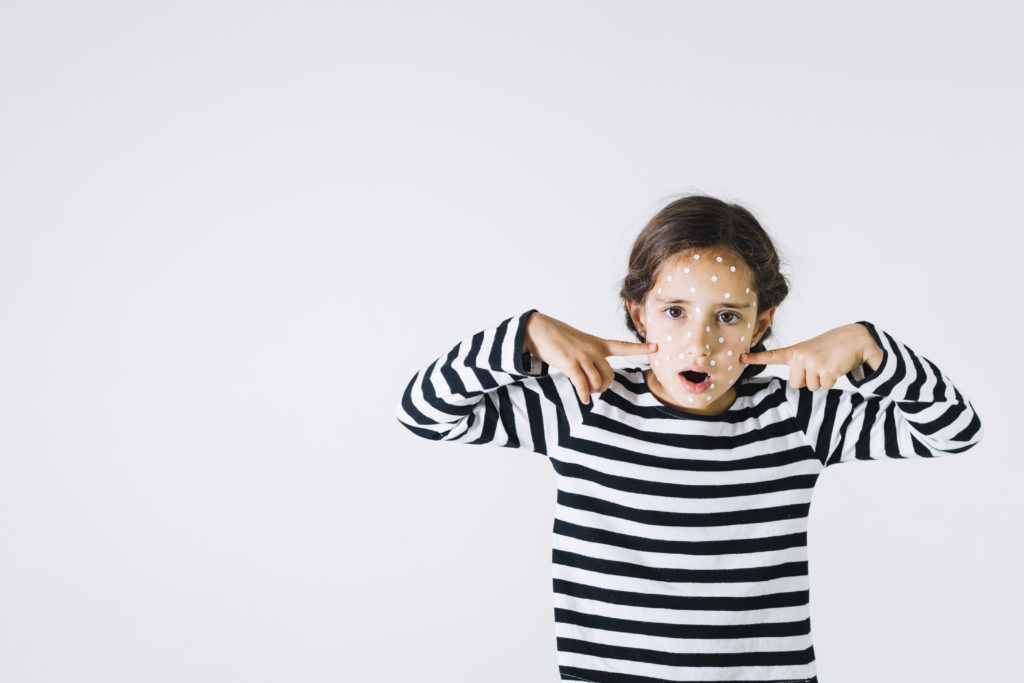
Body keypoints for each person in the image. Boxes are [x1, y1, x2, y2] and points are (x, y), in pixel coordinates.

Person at [394, 194, 983, 683]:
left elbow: (954, 431)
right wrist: (524, 334)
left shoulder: (799, 414)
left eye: (727, 316)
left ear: (764, 320)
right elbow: (425, 412)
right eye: (675, 310)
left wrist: (867, 345)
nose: (699, 344)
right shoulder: (582, 402)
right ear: (637, 311)